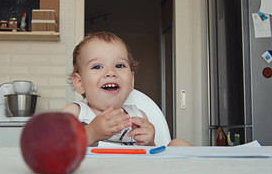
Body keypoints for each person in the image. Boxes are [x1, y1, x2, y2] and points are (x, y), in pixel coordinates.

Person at [61, 32, 191, 147]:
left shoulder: (138, 116)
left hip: (132, 173)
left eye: (119, 65)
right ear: (80, 83)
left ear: (131, 81)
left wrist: (149, 143)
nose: (111, 72)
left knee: (179, 144)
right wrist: (91, 133)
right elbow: (54, 148)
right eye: (97, 67)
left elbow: (149, 158)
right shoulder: (75, 113)